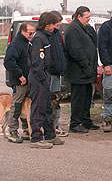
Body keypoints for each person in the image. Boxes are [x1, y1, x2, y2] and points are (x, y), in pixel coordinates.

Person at [28, 12, 65, 148]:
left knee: (47, 107)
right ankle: (36, 138)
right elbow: (37, 62)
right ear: (47, 25)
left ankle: (50, 135)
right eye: (54, 24)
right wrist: (42, 77)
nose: (56, 27)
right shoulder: (39, 38)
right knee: (38, 108)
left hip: (44, 76)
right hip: (39, 77)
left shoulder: (45, 37)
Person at [65, 6, 99, 133]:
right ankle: (75, 123)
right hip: (78, 72)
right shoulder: (74, 29)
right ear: (79, 16)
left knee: (86, 98)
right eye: (87, 17)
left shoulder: (84, 28)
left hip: (86, 72)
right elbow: (76, 51)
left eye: (89, 17)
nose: (89, 20)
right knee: (78, 99)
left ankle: (85, 120)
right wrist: (86, 64)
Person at [4, 22, 35, 143]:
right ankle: (13, 130)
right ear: (22, 31)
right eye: (30, 33)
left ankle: (26, 129)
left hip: (28, 80)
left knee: (26, 105)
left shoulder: (27, 43)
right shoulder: (16, 44)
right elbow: (8, 61)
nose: (32, 35)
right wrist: (20, 75)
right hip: (19, 81)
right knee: (16, 105)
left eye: (33, 33)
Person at [49, 11, 68, 137]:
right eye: (58, 21)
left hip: (57, 74)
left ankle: (55, 126)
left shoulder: (58, 35)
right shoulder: (46, 36)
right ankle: (47, 127)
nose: (60, 24)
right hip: (49, 74)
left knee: (56, 101)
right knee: (48, 102)